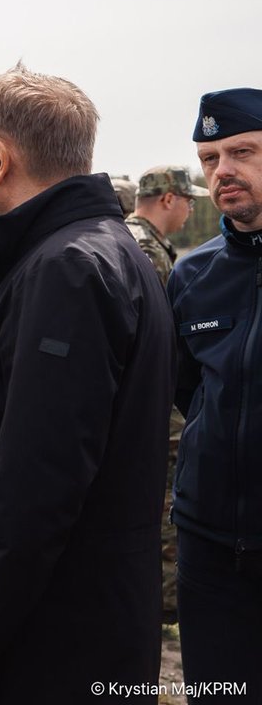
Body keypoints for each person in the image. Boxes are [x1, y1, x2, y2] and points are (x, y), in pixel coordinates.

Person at [0, 64, 176, 705]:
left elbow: (35, 492)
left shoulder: (66, 271)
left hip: (45, 646)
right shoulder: (108, 251)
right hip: (79, 626)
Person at [168, 87, 262, 702]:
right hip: (211, 550)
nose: (222, 171)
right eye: (209, 159)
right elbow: (188, 391)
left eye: (243, 152)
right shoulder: (192, 275)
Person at [125, 164, 208, 627]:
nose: (193, 209)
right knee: (164, 502)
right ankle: (160, 603)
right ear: (169, 199)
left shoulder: (137, 241)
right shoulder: (145, 251)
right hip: (152, 410)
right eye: (189, 199)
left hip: (145, 405)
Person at [127, 165, 208, 288]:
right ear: (168, 200)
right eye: (189, 202)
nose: (191, 210)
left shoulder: (122, 233)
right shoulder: (148, 249)